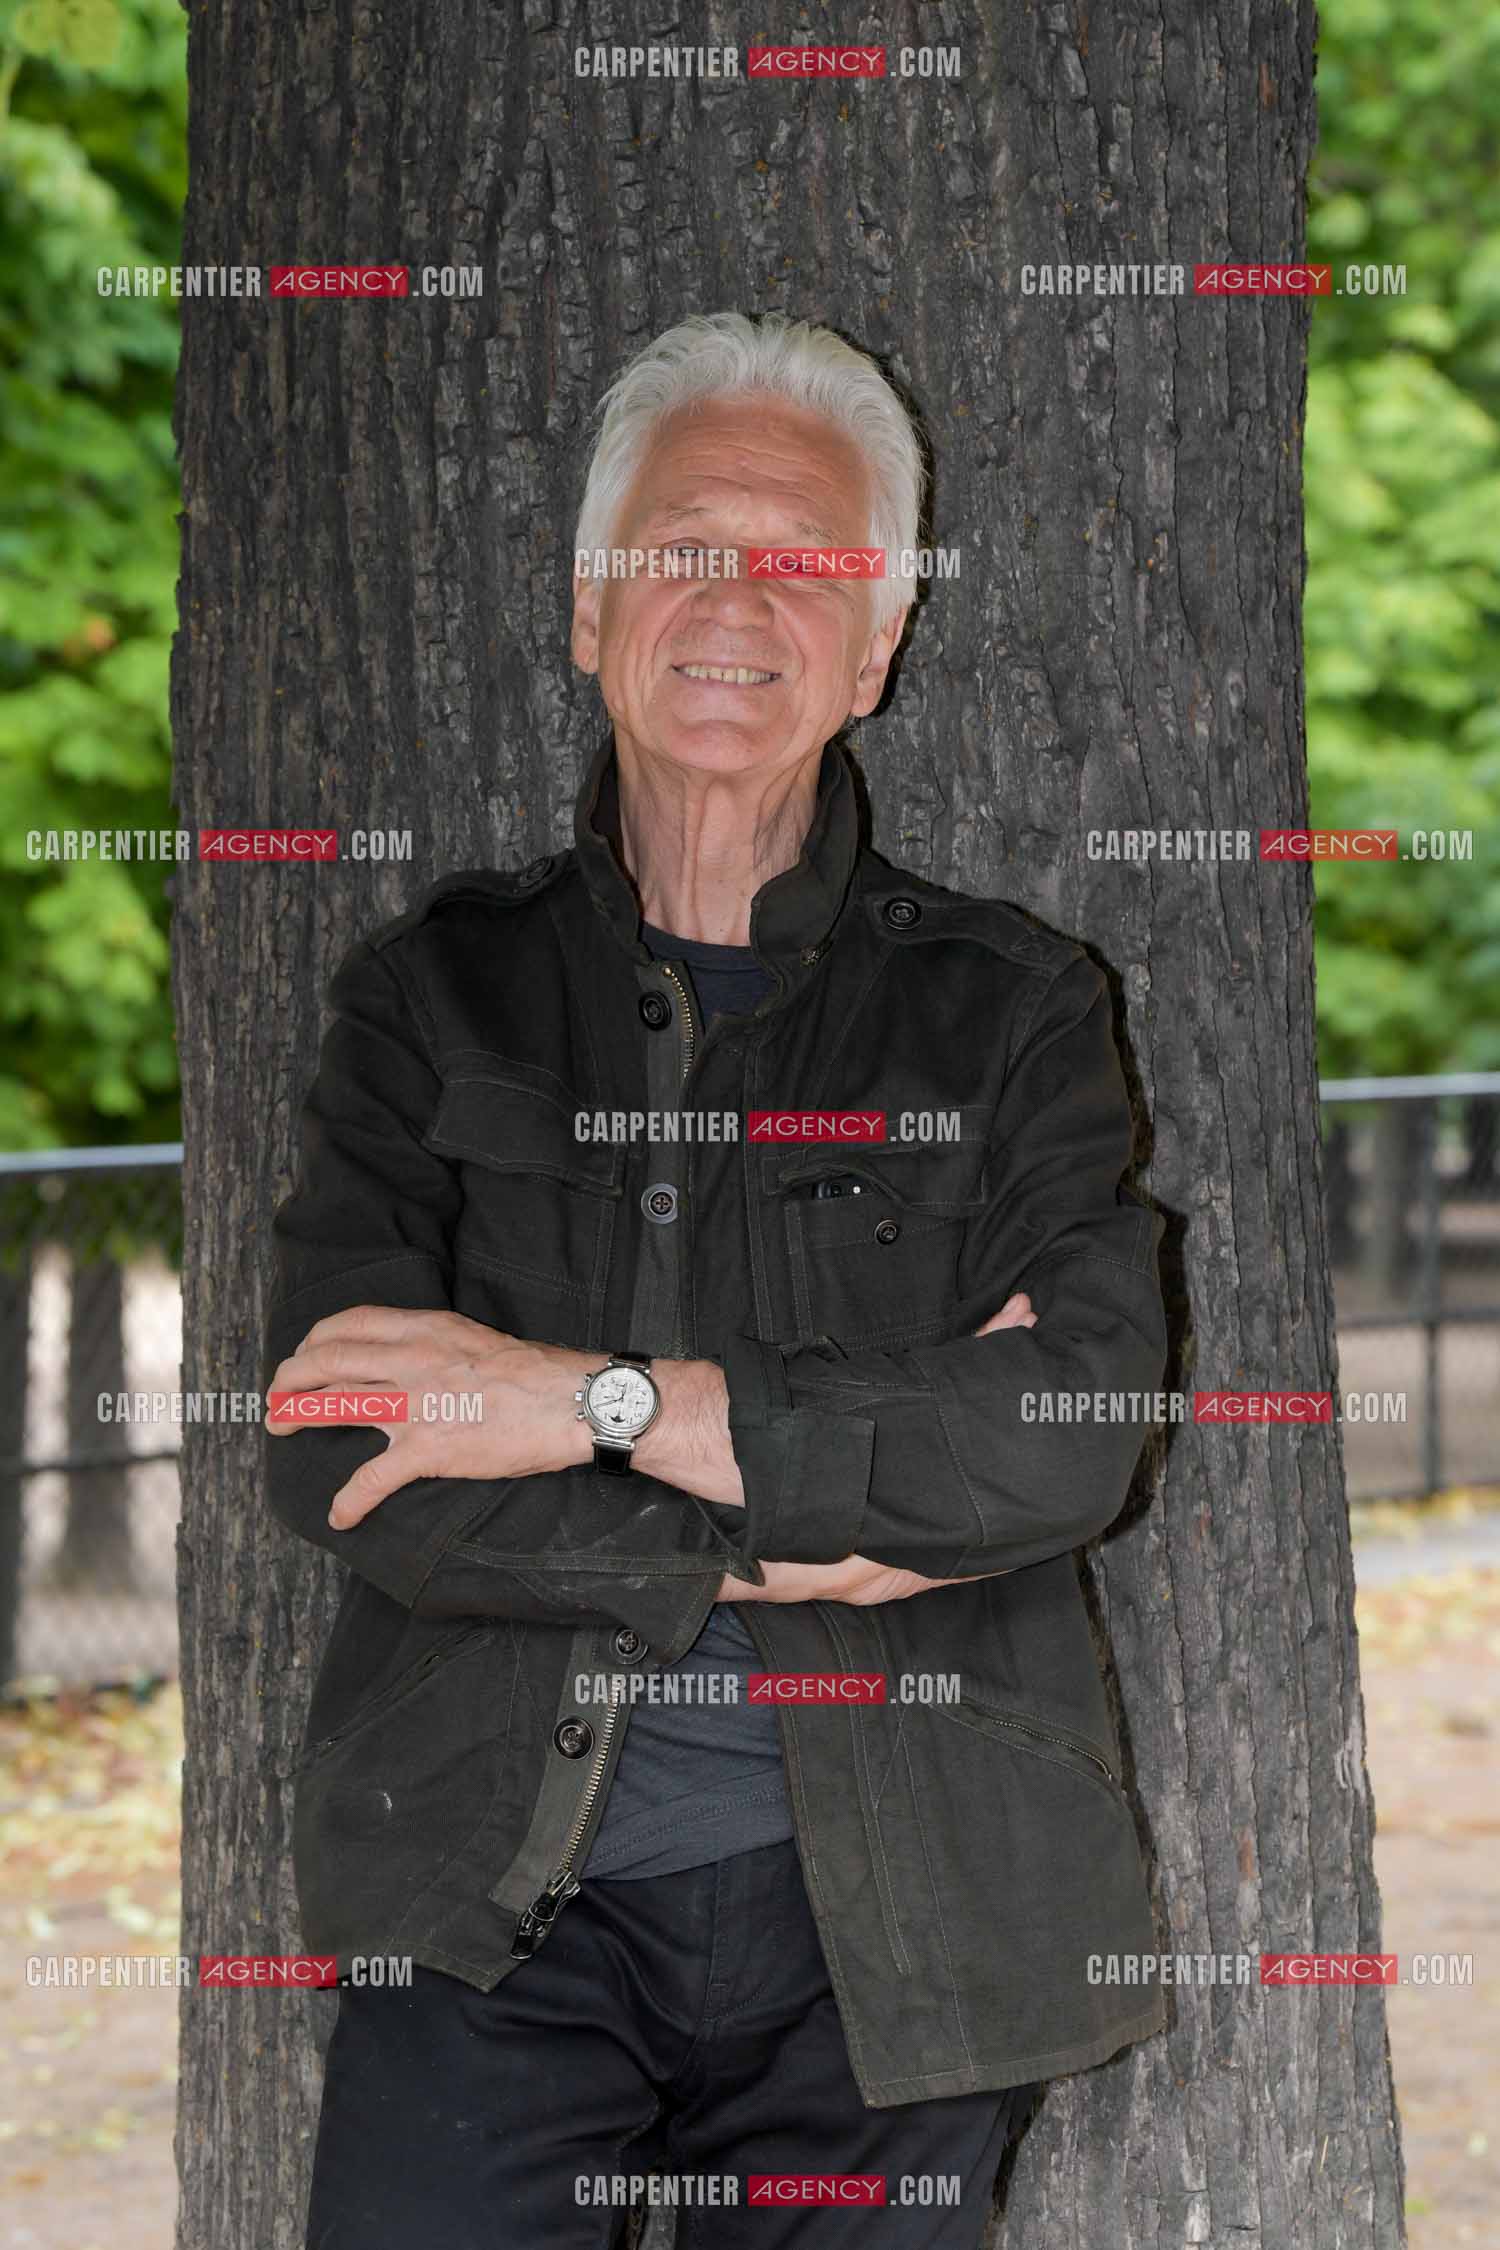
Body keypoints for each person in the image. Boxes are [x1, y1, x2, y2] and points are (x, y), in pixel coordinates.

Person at [263, 310, 1168, 2248]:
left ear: (881, 643)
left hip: (896, 1926)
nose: (735, 597)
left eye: (808, 561)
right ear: (592, 608)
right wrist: (819, 1514)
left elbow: (1062, 1441)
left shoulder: (1011, 1017)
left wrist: (581, 1406)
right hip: (483, 1908)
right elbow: (335, 1445)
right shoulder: (432, 1000)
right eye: (680, 548)